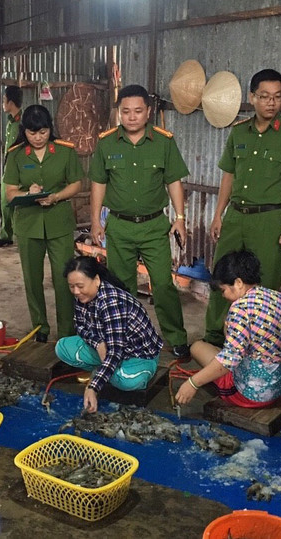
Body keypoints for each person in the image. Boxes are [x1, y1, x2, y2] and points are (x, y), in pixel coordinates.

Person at [204, 69, 281, 348]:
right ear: (252, 97)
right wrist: (218, 215)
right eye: (264, 96)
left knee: (265, 279)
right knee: (221, 274)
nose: (271, 103)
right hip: (236, 216)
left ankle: (261, 340)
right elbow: (228, 176)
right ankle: (215, 336)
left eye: (277, 97)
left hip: (270, 218)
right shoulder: (239, 132)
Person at [89, 84, 189, 359]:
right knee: (122, 286)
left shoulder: (164, 142)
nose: (131, 117)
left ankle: (177, 338)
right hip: (119, 226)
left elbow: (174, 181)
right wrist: (96, 221)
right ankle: (127, 337)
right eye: (125, 112)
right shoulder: (106, 142)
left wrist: (179, 219)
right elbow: (98, 183)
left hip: (154, 226)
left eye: (137, 111)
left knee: (163, 284)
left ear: (148, 112)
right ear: (119, 113)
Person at [175, 250, 281, 408]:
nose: (224, 295)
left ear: (238, 283)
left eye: (223, 290)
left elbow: (229, 360)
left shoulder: (241, 309)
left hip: (256, 394)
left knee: (197, 347)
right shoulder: (279, 297)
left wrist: (192, 383)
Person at [3, 105, 83, 343]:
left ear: (50, 129)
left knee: (65, 278)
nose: (38, 137)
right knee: (32, 278)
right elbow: (9, 193)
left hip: (59, 223)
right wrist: (28, 192)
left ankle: (67, 331)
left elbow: (76, 183)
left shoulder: (65, 152)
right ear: (24, 131)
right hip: (29, 224)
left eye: (43, 131)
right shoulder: (16, 155)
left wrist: (57, 196)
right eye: (32, 132)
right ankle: (40, 328)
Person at [56, 256, 163, 413]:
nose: (76, 292)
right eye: (72, 287)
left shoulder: (112, 302)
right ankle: (105, 371)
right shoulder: (82, 296)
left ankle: (105, 373)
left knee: (125, 381)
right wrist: (98, 343)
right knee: (62, 348)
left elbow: (115, 352)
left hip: (137, 355)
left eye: (80, 286)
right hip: (105, 347)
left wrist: (93, 387)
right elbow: (80, 326)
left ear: (97, 280)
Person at [0, 85, 23, 248]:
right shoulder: (10, 122)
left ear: (10, 102)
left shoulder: (21, 123)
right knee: (5, 202)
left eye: (4, 100)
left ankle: (16, 235)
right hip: (7, 168)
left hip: (18, 170)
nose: (2, 103)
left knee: (15, 203)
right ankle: (6, 235)